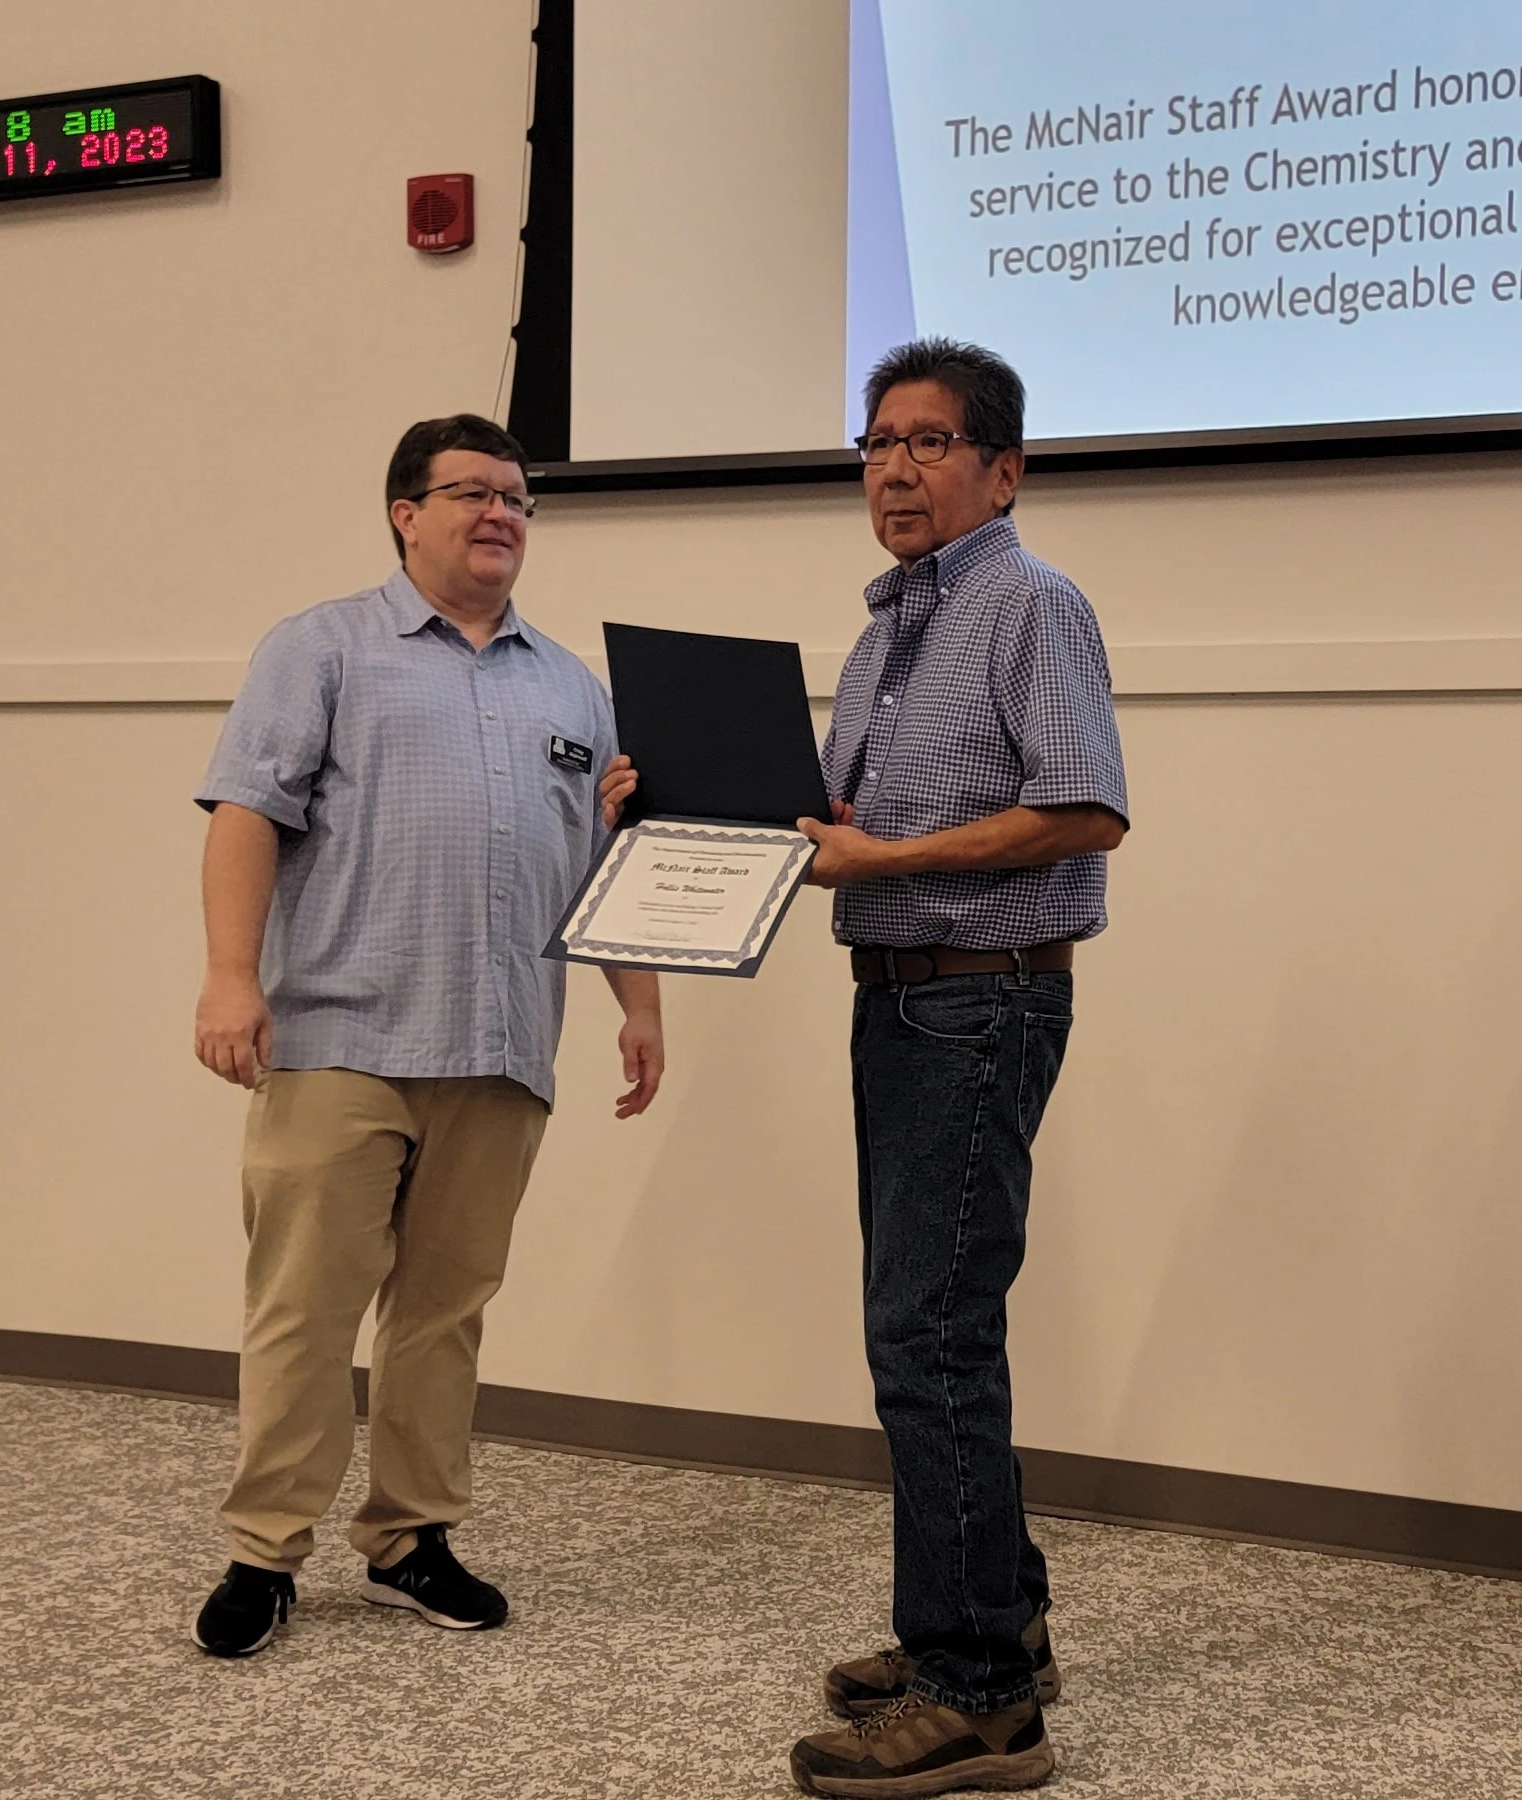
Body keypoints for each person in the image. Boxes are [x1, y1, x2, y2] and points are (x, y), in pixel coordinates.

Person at [605, 339, 1127, 1795]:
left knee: (929, 1337)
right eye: (877, 442)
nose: (894, 468)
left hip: (979, 1004)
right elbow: (832, 830)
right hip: (899, 1005)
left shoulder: (1029, 602)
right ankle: (1001, 1621)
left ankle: (981, 1702)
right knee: (932, 1326)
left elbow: (1084, 810)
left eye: (929, 442)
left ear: (1003, 471)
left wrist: (883, 860)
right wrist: (670, 803)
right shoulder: (889, 635)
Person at [188, 412, 666, 1659]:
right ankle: (265, 1552)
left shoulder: (573, 687)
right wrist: (229, 978)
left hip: (502, 1047)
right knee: (305, 1310)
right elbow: (246, 812)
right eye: (470, 493)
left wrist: (640, 1005)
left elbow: (607, 861)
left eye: (516, 496)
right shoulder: (323, 649)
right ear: (406, 514)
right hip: (342, 1039)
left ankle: (409, 1538)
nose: (500, 513)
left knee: (445, 1314)